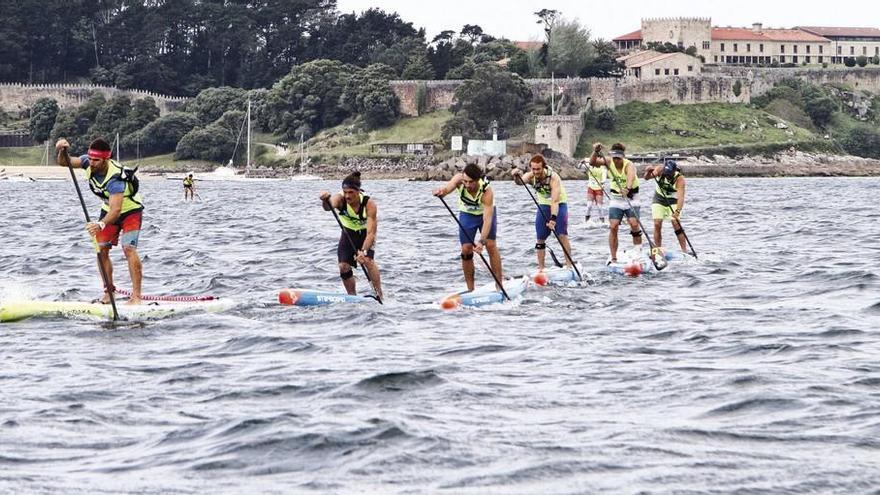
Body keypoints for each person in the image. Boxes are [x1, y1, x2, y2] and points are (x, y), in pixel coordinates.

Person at [55, 137, 144, 304]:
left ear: (106, 159)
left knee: (128, 249)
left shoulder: (115, 180)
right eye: (90, 159)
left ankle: (136, 297)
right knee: (101, 249)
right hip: (108, 210)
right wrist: (61, 150)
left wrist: (100, 224)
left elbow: (116, 211)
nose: (92, 163)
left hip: (130, 211)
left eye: (96, 160)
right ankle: (109, 293)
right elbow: (65, 162)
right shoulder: (87, 162)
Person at [433, 163, 502, 291]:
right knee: (466, 249)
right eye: (465, 181)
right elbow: (446, 190)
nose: (467, 185)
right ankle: (471, 289)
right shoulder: (459, 179)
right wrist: (440, 192)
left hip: (484, 214)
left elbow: (487, 220)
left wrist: (481, 242)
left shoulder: (486, 191)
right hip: (467, 214)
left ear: (477, 180)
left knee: (490, 245)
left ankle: (499, 285)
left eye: (471, 182)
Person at [319, 171, 383, 299]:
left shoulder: (369, 204)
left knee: (367, 261)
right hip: (348, 232)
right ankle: (352, 296)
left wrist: (363, 251)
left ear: (358, 192)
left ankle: (379, 294)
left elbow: (371, 233)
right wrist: (325, 200)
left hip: (365, 234)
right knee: (343, 266)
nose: (347, 196)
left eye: (351, 193)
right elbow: (329, 207)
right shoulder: (340, 199)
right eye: (345, 192)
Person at [511, 154, 575, 271]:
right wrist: (516, 176)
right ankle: (541, 269)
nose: (536, 172)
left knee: (561, 235)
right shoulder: (530, 176)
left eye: (538, 169)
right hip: (544, 204)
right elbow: (520, 182)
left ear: (544, 167)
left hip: (559, 203)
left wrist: (553, 219)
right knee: (540, 238)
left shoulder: (554, 178)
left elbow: (555, 201)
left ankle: (569, 266)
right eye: (533, 169)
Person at [589, 142, 643, 264]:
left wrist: (627, 188)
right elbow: (592, 163)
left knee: (634, 224)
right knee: (613, 226)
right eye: (614, 158)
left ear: (622, 157)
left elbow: (630, 178)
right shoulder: (608, 162)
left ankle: (638, 253)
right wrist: (595, 152)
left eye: (618, 158)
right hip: (616, 199)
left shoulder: (629, 165)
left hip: (631, 197)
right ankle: (613, 258)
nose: (616, 160)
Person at [644, 159, 688, 252]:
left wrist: (677, 211)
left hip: (673, 200)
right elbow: (646, 178)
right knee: (657, 223)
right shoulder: (659, 170)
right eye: (666, 173)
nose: (667, 175)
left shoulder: (680, 179)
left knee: (676, 223)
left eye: (669, 174)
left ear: (674, 171)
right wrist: (648, 171)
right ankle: (657, 249)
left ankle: (684, 250)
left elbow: (681, 197)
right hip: (659, 199)